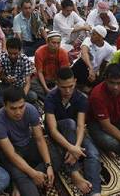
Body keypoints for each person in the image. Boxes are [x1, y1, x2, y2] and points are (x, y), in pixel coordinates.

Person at [44, 67, 101, 196]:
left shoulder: (81, 98)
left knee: (93, 153)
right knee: (69, 123)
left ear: (75, 81)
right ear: (57, 83)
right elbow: (52, 130)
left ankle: (95, 192)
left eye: (70, 86)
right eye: (63, 87)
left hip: (75, 133)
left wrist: (76, 147)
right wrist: (72, 148)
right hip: (57, 133)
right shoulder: (50, 98)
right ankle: (74, 173)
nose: (68, 90)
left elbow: (81, 126)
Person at [0, 87, 62, 196]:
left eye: (21, 107)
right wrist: (33, 174)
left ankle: (21, 180)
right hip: (12, 153)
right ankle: (23, 179)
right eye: (13, 108)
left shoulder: (30, 109)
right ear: (5, 105)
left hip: (28, 144)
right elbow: (11, 154)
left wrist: (48, 165)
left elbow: (39, 139)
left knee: (57, 156)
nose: (18, 112)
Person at [0, 37, 36, 108]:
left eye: (15, 53)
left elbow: (27, 83)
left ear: (20, 51)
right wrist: (6, 78)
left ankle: (9, 104)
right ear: (7, 50)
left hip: (20, 87)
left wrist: (22, 97)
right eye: (10, 53)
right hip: (6, 86)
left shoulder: (25, 60)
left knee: (33, 96)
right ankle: (13, 104)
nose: (12, 56)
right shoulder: (3, 58)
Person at [32, 31, 70, 99]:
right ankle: (51, 97)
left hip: (56, 79)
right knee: (32, 83)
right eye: (53, 43)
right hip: (43, 78)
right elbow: (39, 72)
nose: (56, 45)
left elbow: (63, 74)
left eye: (58, 43)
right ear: (47, 42)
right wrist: (46, 88)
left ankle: (49, 97)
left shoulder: (63, 53)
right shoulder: (39, 52)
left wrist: (56, 87)